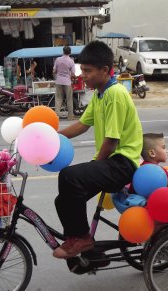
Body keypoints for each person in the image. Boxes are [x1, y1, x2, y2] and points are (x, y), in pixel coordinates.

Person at [53, 41, 143, 259]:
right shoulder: (100, 94)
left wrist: (95, 166)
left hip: (123, 163)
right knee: (63, 200)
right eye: (81, 70)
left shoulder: (116, 93)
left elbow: (111, 140)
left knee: (69, 176)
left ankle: (83, 239)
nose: (82, 75)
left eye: (87, 71)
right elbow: (82, 125)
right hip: (111, 163)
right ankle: (87, 256)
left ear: (104, 70)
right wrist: (52, 137)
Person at [53, 46, 76, 121]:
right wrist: (74, 78)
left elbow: (54, 71)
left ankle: (56, 115)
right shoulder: (71, 61)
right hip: (67, 82)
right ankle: (70, 116)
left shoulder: (58, 59)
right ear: (70, 52)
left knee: (58, 98)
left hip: (58, 81)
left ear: (63, 51)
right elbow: (72, 74)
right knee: (69, 99)